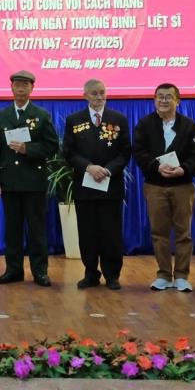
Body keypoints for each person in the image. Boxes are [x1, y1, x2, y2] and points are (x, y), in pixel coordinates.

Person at [131, 83, 195, 292]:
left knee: (184, 233)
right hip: (155, 185)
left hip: (182, 186)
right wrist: (156, 166)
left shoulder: (189, 125)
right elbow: (139, 152)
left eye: (168, 97)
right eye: (160, 97)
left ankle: (181, 276)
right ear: (154, 100)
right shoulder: (144, 124)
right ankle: (163, 275)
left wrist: (184, 169)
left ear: (177, 101)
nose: (163, 100)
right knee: (159, 232)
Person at [0, 70, 59, 287]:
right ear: (11, 87)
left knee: (37, 230)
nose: (20, 89)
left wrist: (28, 149)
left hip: (34, 181)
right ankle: (13, 270)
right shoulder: (1, 116)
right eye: (17, 85)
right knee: (12, 230)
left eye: (25, 85)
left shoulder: (41, 115)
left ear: (32, 88)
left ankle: (40, 272)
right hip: (9, 181)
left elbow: (52, 146)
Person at [62, 78, 130, 290]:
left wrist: (108, 170)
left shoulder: (118, 119)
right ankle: (91, 273)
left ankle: (112, 275)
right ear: (85, 96)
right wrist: (89, 167)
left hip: (111, 185)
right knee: (87, 233)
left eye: (102, 92)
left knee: (111, 233)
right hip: (85, 186)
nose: (99, 97)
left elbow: (125, 152)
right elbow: (68, 152)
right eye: (94, 93)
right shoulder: (74, 120)